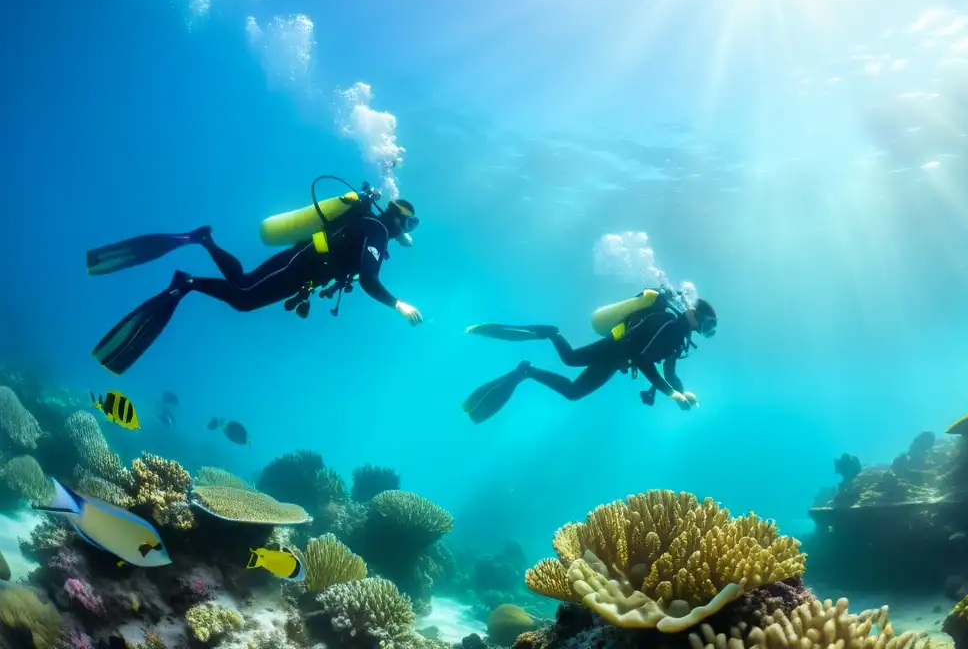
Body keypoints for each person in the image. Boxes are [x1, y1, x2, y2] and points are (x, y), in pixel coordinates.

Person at [88, 183, 423, 375]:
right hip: (299, 266)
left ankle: (203, 242)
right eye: (408, 224)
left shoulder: (372, 228)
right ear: (397, 219)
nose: (406, 232)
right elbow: (368, 279)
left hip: (301, 267)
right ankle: (189, 278)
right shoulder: (377, 232)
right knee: (244, 296)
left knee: (243, 287)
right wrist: (398, 304)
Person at [461, 287, 717, 423]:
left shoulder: (680, 340)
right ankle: (551, 333)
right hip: (615, 349)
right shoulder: (667, 324)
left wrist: (682, 392)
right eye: (706, 325)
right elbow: (642, 359)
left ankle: (528, 371)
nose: (704, 331)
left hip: (617, 360)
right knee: (570, 359)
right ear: (692, 314)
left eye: (709, 330)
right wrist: (671, 394)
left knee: (573, 392)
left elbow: (669, 370)